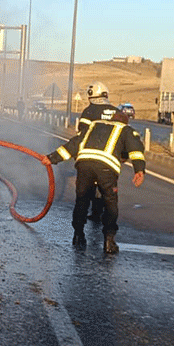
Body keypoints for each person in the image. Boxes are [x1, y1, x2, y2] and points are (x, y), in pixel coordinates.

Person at [47, 82, 146, 253]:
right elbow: (136, 150)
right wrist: (139, 170)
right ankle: (109, 241)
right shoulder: (126, 129)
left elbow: (73, 144)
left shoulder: (93, 124)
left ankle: (78, 235)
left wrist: (50, 159)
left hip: (84, 164)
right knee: (110, 202)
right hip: (107, 168)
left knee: (81, 200)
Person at [75, 81, 125, 222]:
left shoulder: (89, 112)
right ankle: (103, 217)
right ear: (106, 95)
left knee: (85, 189)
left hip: (89, 156)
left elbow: (82, 134)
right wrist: (123, 155)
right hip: (110, 157)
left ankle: (81, 225)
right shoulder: (117, 112)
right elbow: (124, 135)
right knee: (108, 189)